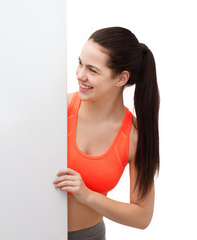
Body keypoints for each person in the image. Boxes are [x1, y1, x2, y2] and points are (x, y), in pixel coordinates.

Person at [53, 27, 160, 240]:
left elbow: (142, 216)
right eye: (80, 63)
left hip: (87, 235)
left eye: (92, 70)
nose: (80, 75)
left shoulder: (134, 137)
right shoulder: (58, 108)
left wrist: (87, 195)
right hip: (30, 228)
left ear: (121, 79)